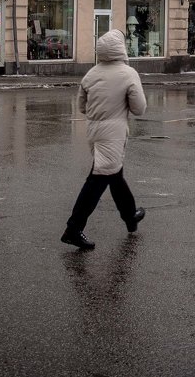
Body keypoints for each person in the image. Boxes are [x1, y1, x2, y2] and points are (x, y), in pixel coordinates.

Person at [62, 29, 147, 250]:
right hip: (114, 133)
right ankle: (73, 228)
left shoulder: (90, 74)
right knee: (98, 180)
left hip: (94, 132)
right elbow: (139, 108)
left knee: (114, 176)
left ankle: (130, 216)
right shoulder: (128, 74)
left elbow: (81, 106)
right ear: (121, 49)